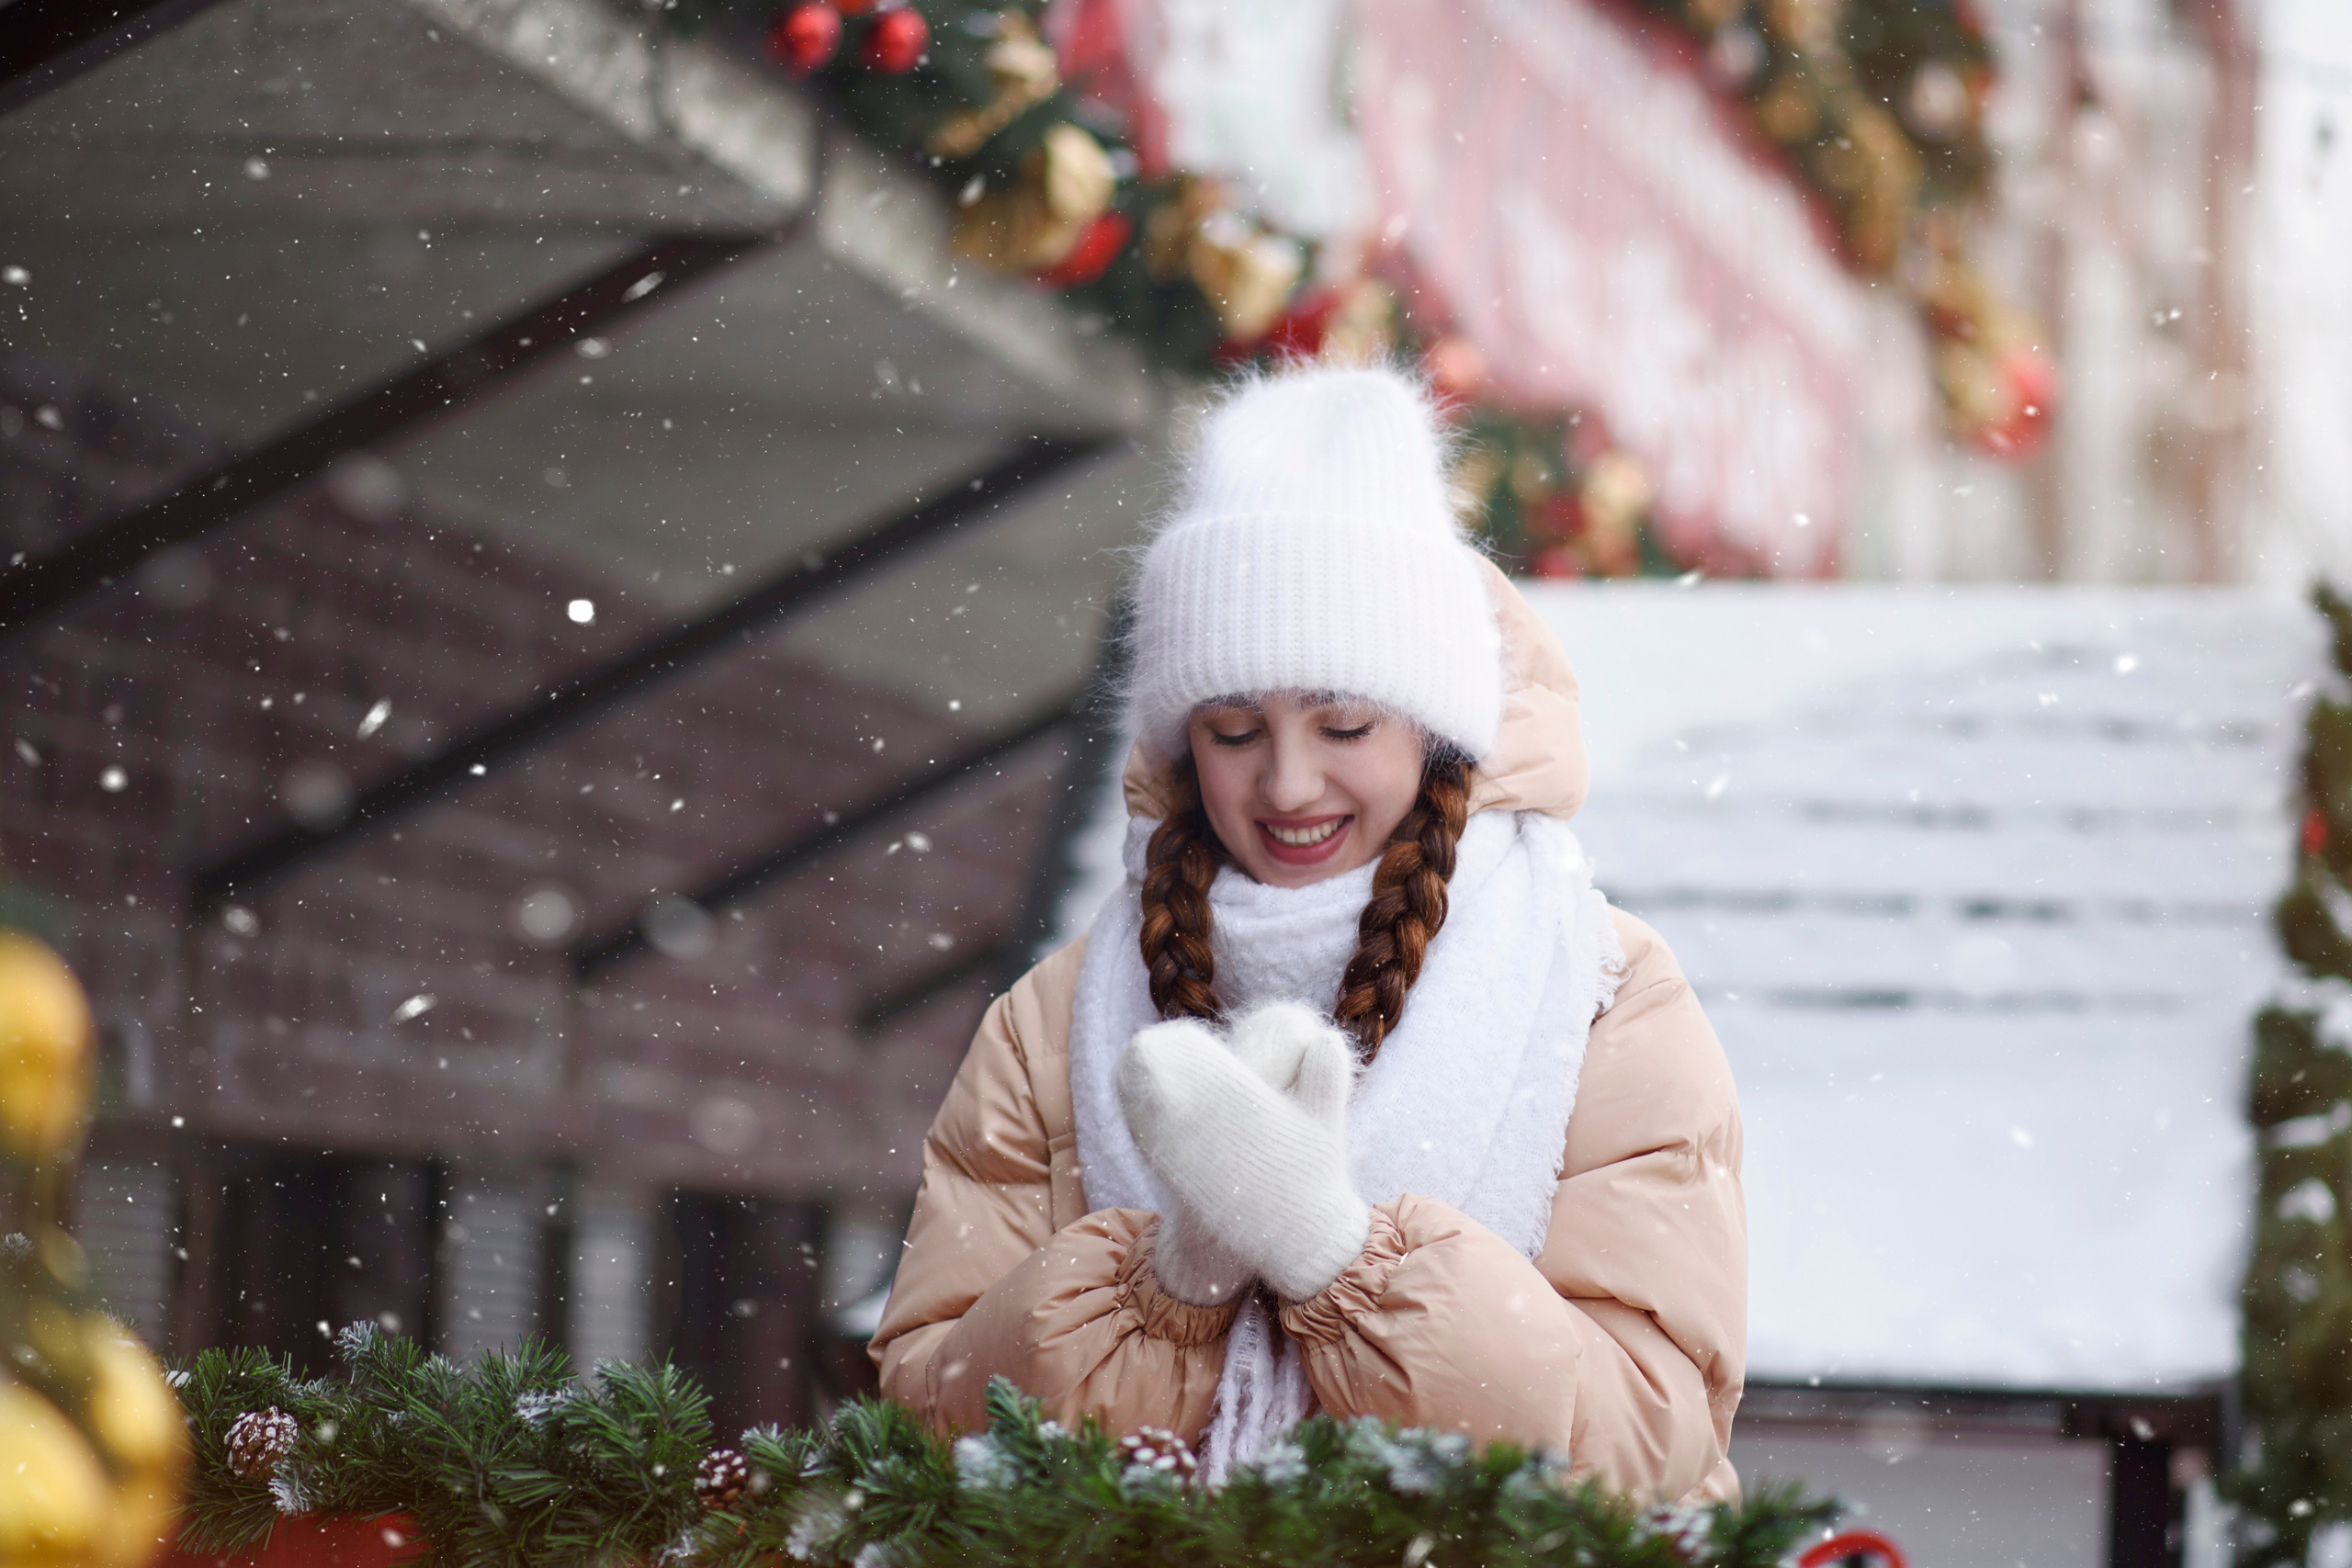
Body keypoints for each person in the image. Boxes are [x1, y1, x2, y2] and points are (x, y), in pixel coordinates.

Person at [869, 364, 1744, 1504]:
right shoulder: (1057, 1017)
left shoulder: (1602, 992)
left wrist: (1335, 1250)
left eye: (1342, 723)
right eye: (1234, 729)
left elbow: (1644, 1446)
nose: (1287, 784)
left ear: (1432, 730)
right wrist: (1172, 1278)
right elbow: (931, 1427)